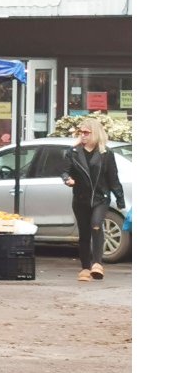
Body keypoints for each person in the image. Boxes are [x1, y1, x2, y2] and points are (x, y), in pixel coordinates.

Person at [62, 117, 125, 281]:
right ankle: (85, 268)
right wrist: (67, 180)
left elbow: (113, 178)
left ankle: (97, 264)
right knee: (84, 233)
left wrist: (120, 199)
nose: (82, 135)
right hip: (80, 198)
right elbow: (65, 170)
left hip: (100, 198)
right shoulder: (74, 153)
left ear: (95, 133)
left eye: (86, 132)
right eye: (80, 132)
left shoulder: (105, 153)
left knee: (96, 225)